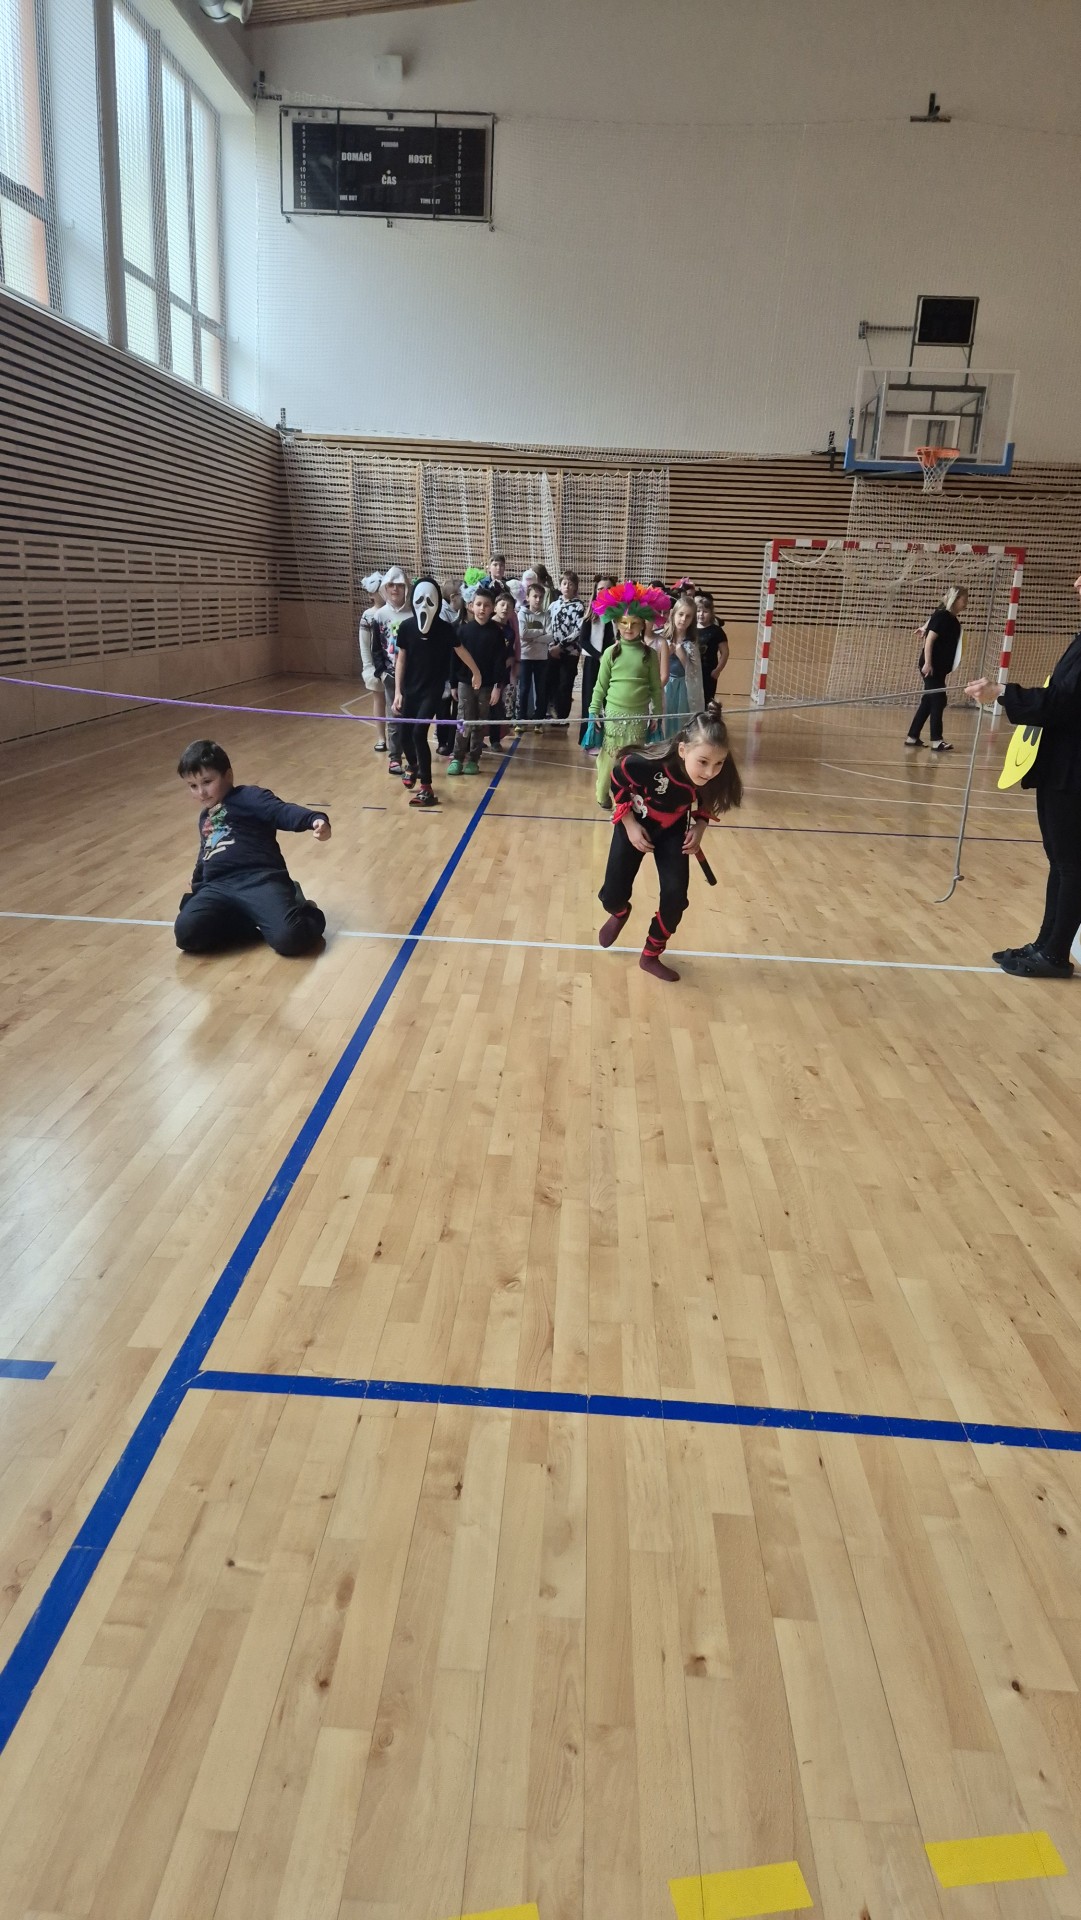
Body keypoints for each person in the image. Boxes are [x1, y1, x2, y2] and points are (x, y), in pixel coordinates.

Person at [966, 612, 1081, 979]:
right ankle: (1045, 945)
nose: (1076, 585)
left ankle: (1055, 954)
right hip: (1060, 765)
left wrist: (1004, 693)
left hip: (1075, 771)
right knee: (1059, 860)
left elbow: (1063, 702)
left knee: (1072, 864)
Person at [598, 705, 742, 983]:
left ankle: (650, 955)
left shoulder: (714, 774)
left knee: (676, 897)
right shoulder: (647, 765)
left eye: (719, 763)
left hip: (672, 830)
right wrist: (629, 825)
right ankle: (620, 912)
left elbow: (709, 798)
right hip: (635, 823)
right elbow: (617, 778)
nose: (710, 772)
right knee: (612, 896)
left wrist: (700, 827)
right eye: (703, 762)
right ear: (683, 750)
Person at [174, 740, 330, 957]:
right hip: (218, 885)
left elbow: (281, 811)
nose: (201, 792)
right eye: (193, 786)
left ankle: (303, 909)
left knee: (289, 939)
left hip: (260, 880)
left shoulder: (249, 797)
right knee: (186, 933)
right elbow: (206, 854)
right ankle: (253, 919)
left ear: (228, 776)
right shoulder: (205, 817)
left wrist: (314, 819)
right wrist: (198, 883)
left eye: (207, 782)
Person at [393, 577, 481, 809]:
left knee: (418, 733)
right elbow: (401, 659)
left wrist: (476, 672)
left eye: (429, 600)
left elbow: (461, 651)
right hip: (410, 690)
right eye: (420, 599)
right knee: (404, 735)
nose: (424, 605)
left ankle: (427, 787)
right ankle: (413, 765)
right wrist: (398, 692)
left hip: (432, 691)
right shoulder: (406, 627)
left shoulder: (445, 629)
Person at [587, 581, 669, 807]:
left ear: (643, 624)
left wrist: (657, 714)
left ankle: (630, 800)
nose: (629, 627)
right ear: (616, 623)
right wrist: (594, 711)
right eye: (624, 623)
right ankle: (602, 793)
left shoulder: (649, 655)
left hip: (639, 716)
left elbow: (655, 687)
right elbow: (600, 686)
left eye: (634, 623)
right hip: (614, 716)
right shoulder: (610, 653)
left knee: (634, 761)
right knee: (609, 758)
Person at [449, 580, 507, 774]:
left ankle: (474, 758)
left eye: (487, 605)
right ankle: (457, 757)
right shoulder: (463, 631)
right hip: (465, 683)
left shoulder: (496, 634)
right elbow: (455, 659)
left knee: (480, 723)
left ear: (492, 609)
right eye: (479, 604)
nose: (482, 608)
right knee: (463, 720)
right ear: (471, 606)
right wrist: (454, 683)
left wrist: (498, 687)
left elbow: (500, 662)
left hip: (487, 686)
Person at [906, 586, 968, 752]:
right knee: (939, 700)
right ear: (956, 599)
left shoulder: (951, 620)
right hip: (931, 666)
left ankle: (912, 737)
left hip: (939, 668)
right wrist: (928, 663)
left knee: (929, 700)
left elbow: (932, 620)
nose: (966, 603)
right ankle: (936, 740)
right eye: (964, 599)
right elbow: (929, 640)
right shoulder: (942, 616)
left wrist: (924, 626)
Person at [359, 567, 409, 763]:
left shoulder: (413, 615)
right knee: (394, 717)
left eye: (399, 585)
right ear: (385, 588)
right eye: (391, 585)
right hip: (389, 675)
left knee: (411, 718)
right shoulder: (379, 616)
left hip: (411, 676)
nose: (395, 589)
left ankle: (412, 757)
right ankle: (395, 757)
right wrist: (381, 672)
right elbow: (376, 648)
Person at [577, 572, 618, 745]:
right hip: (594, 662)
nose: (604, 591)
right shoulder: (592, 614)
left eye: (608, 588)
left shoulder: (618, 614)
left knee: (610, 699)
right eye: (601, 588)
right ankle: (589, 738)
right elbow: (583, 641)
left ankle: (609, 737)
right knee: (590, 699)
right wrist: (599, 656)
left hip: (614, 663)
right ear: (595, 591)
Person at [662, 593, 705, 736]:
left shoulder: (691, 644)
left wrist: (681, 654)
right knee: (665, 718)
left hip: (683, 689)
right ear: (673, 614)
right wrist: (667, 653)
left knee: (680, 721)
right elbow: (655, 665)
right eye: (680, 614)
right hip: (665, 686)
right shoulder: (662, 638)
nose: (683, 619)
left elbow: (694, 672)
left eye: (688, 616)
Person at [546, 569, 586, 724]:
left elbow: (578, 630)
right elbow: (548, 626)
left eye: (570, 584)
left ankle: (562, 716)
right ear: (560, 585)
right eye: (564, 583)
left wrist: (561, 646)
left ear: (575, 587)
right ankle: (552, 712)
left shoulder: (579, 606)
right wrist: (552, 646)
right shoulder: (553, 605)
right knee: (552, 682)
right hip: (552, 651)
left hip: (570, 653)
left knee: (565, 684)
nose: (567, 587)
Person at [516, 579, 550, 733]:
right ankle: (521, 720)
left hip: (541, 658)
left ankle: (539, 721)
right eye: (535, 596)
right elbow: (522, 633)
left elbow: (551, 636)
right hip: (525, 657)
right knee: (524, 689)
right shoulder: (522, 614)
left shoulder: (546, 615)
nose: (538, 600)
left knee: (541, 690)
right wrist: (541, 632)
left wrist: (534, 638)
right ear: (527, 597)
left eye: (540, 597)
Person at [694, 591, 729, 698]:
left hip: (709, 672)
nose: (701, 614)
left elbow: (725, 652)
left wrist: (718, 669)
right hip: (692, 671)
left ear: (711, 613)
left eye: (705, 611)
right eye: (698, 611)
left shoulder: (716, 631)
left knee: (707, 698)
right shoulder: (690, 629)